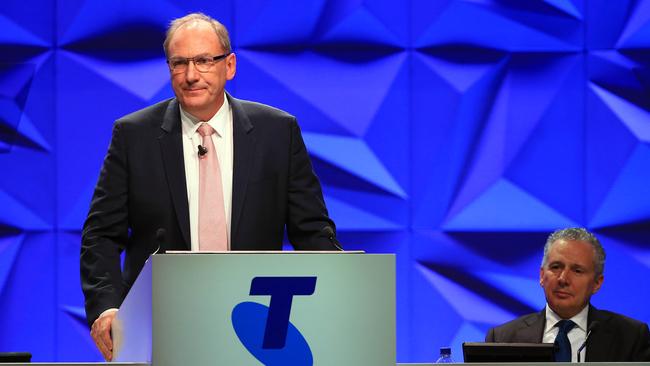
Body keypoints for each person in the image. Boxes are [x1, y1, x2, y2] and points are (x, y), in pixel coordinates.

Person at [80, 12, 340, 361]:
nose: (191, 75)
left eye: (203, 61)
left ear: (229, 65)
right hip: (161, 328)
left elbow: (312, 232)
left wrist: (339, 288)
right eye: (179, 63)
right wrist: (106, 308)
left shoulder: (277, 132)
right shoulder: (133, 136)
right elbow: (101, 235)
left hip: (258, 326)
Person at [485, 228, 650, 362]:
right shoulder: (503, 338)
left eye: (577, 271)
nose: (563, 279)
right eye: (556, 267)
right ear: (542, 276)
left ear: (597, 283)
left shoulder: (631, 337)